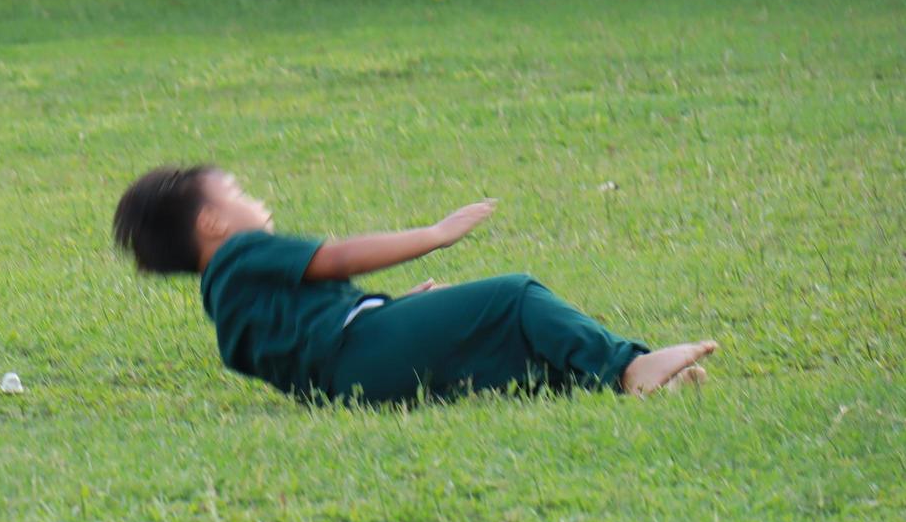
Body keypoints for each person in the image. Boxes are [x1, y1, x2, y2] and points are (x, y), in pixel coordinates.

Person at [113, 165, 716, 405]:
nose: (256, 200)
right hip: (364, 350)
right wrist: (436, 232)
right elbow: (336, 257)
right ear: (212, 223)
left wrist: (398, 314)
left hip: (351, 384)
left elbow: (310, 336)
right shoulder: (243, 252)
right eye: (239, 193)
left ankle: (616, 385)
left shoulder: (224, 296)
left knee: (495, 351)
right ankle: (629, 367)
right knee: (515, 297)